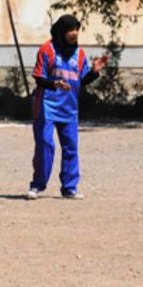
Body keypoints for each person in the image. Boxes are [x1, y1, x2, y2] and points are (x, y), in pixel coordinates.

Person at [27, 14, 109, 199]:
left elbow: (82, 79)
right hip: (47, 106)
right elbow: (39, 77)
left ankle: (69, 187)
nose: (74, 33)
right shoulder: (47, 49)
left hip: (69, 108)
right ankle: (37, 185)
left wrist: (95, 72)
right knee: (45, 144)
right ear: (61, 31)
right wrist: (54, 84)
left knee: (71, 147)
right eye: (70, 30)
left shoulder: (79, 53)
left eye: (76, 29)